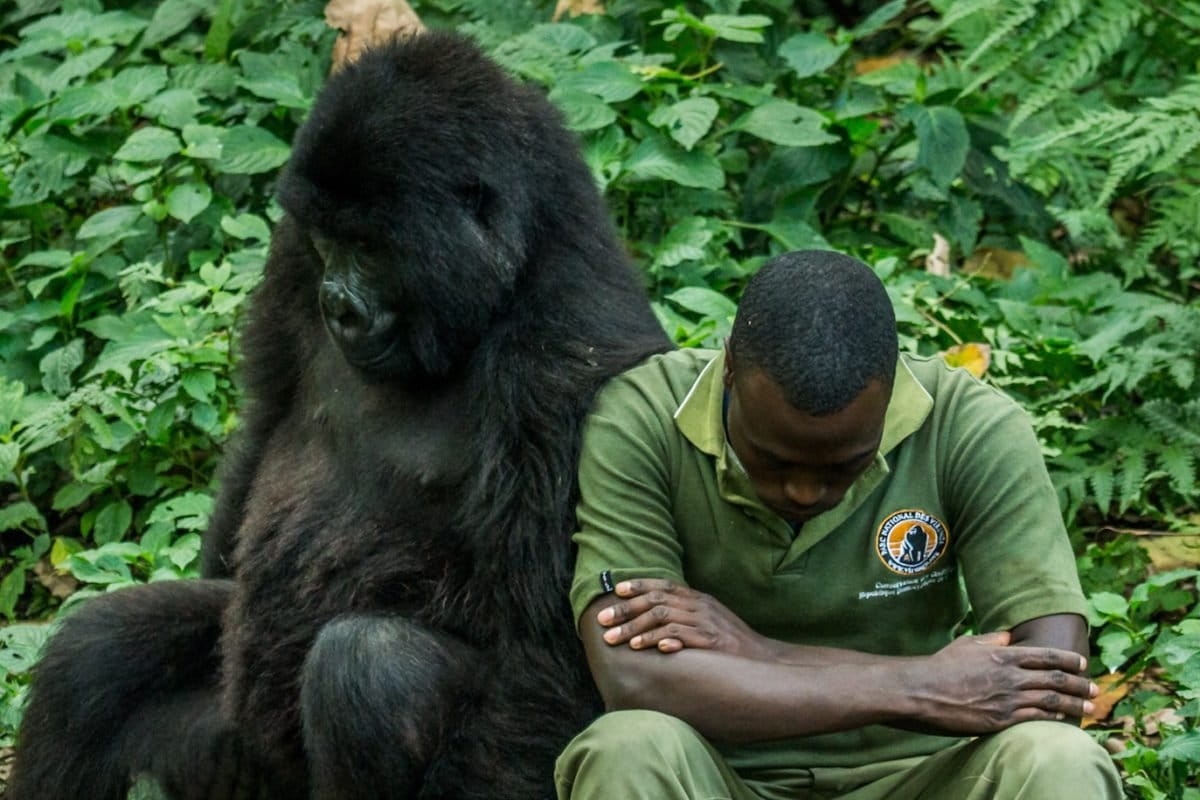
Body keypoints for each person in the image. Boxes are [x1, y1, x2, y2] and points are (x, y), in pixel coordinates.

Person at [555, 250, 1122, 800]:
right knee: (627, 747)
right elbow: (636, 678)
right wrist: (924, 685)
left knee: (1058, 759)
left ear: (891, 394)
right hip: (719, 775)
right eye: (772, 459)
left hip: (922, 774)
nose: (804, 492)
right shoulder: (647, 418)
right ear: (730, 368)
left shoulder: (968, 427)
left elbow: (1052, 679)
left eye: (843, 467)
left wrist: (755, 653)